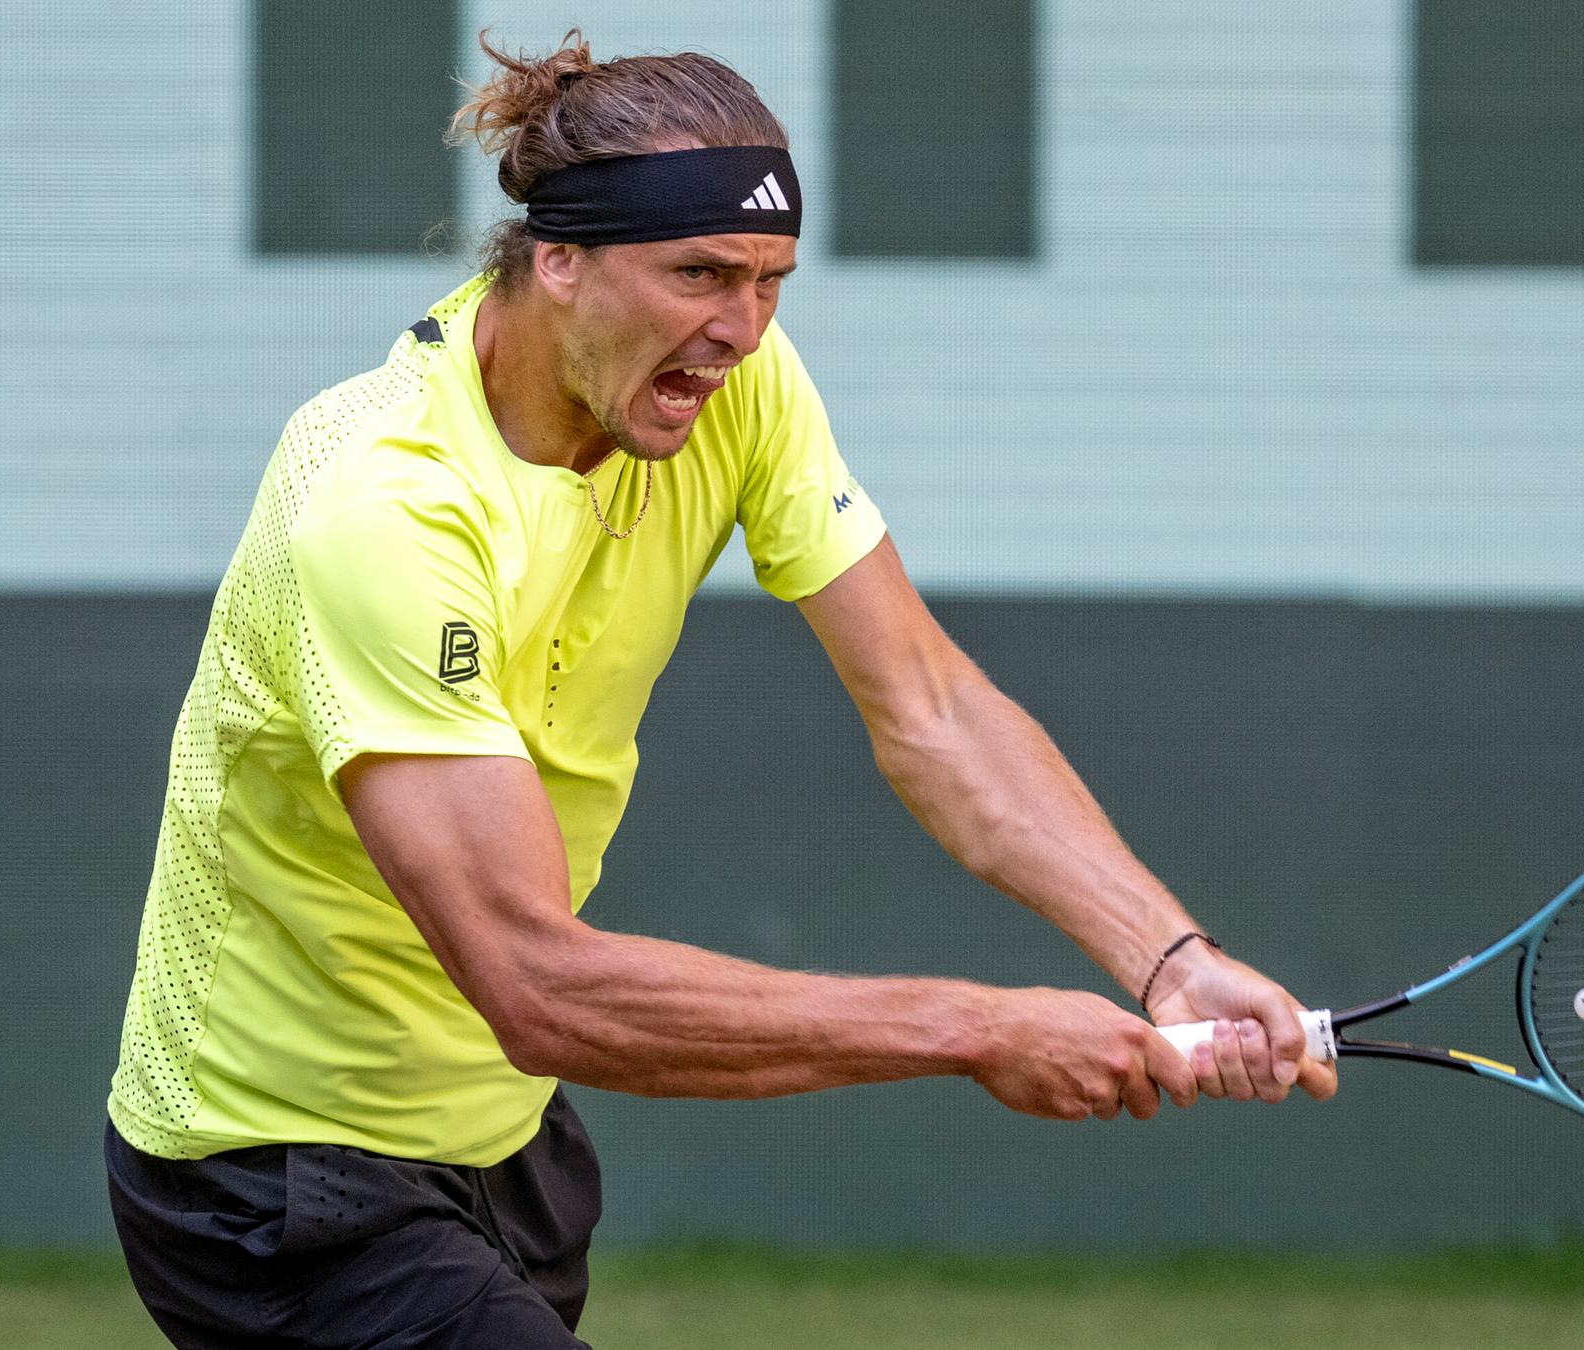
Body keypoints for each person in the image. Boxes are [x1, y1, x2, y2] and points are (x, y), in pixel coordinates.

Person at [104, 30, 1336, 1348]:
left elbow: (928, 706)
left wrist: (1168, 953)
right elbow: (536, 982)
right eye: (698, 272)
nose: (740, 330)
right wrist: (976, 1026)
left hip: (505, 1145)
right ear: (556, 259)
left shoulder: (723, 388)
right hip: (282, 1172)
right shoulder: (381, 506)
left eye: (769, 282)